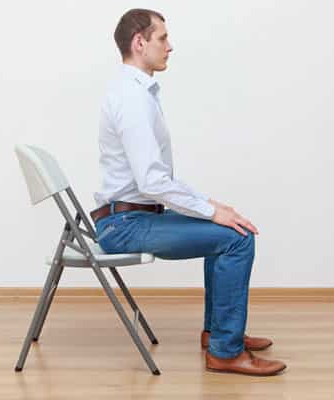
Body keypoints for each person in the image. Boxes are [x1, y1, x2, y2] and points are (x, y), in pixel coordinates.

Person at [90, 8, 286, 376]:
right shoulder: (131, 98)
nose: (170, 46)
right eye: (162, 38)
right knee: (236, 239)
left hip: (131, 216)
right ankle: (224, 353)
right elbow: (151, 182)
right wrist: (211, 211)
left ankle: (219, 334)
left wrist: (209, 206)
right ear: (139, 42)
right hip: (125, 224)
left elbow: (154, 181)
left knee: (228, 230)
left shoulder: (136, 92)